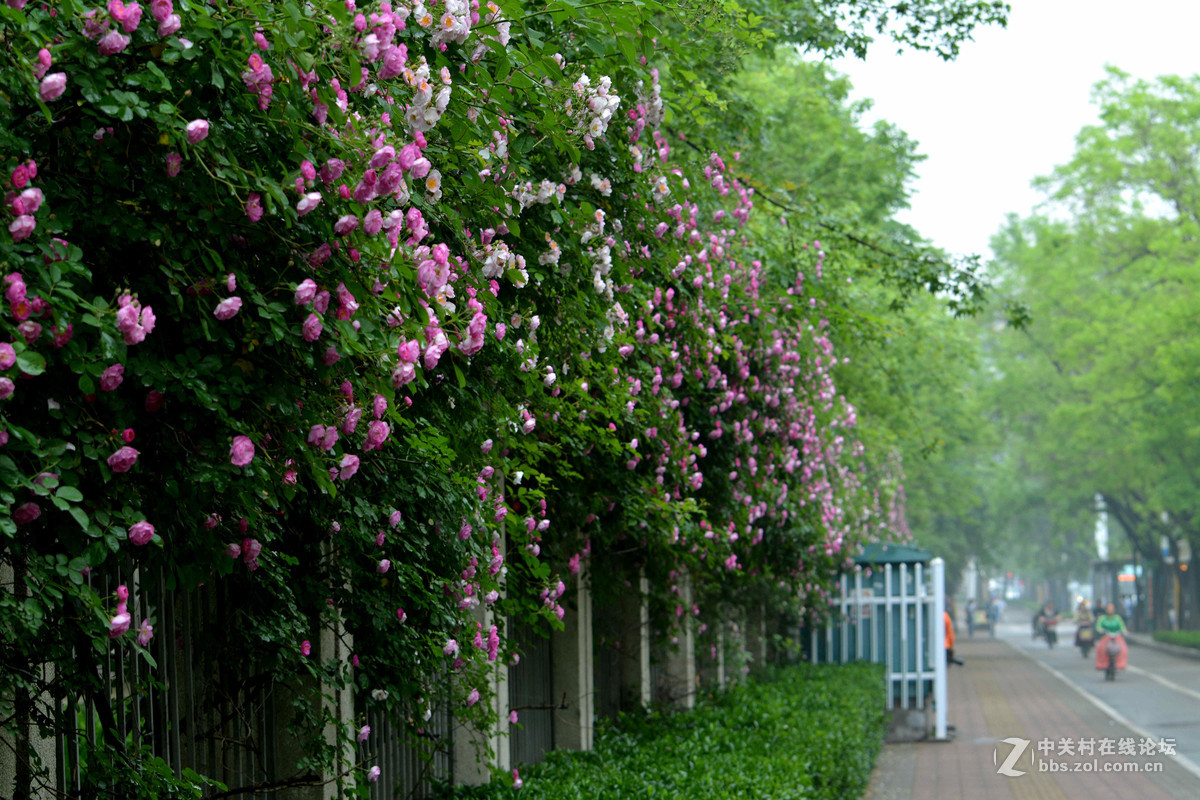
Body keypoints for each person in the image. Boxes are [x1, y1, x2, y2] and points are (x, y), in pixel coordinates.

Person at [1095, 602, 1128, 674]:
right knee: (1101, 648)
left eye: (1111, 609)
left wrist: (1124, 631)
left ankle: (1120, 664)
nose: (1110, 610)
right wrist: (1100, 630)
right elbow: (1098, 626)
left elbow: (1122, 626)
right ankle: (1102, 664)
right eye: (1108, 609)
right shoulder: (1102, 618)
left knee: (1123, 648)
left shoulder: (1117, 618)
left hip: (1117, 636)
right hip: (1106, 636)